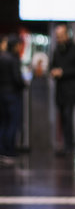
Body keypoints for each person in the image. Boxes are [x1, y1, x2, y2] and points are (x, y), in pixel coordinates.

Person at [51, 24, 75, 154]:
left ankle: (69, 145)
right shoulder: (57, 51)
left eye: (60, 36)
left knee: (68, 116)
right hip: (61, 91)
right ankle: (65, 143)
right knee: (63, 117)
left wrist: (63, 72)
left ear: (66, 35)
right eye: (57, 37)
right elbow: (52, 65)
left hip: (72, 90)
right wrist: (54, 72)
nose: (58, 39)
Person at [0, 34, 25, 164]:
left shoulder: (2, 57)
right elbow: (17, 79)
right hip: (13, 95)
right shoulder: (14, 59)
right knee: (12, 123)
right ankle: (9, 150)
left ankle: (2, 149)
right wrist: (23, 84)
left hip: (2, 94)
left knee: (3, 123)